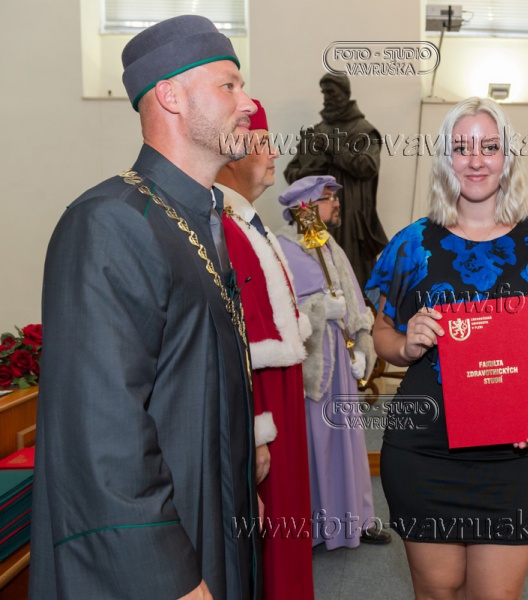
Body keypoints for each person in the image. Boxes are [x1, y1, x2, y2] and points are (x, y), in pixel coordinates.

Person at [31, 15, 261, 599]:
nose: (249, 103)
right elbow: (102, 431)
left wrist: (239, 487)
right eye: (229, 85)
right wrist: (169, 578)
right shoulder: (110, 222)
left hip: (209, 512)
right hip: (154, 558)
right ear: (170, 96)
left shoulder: (198, 219)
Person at [365, 97, 528, 599]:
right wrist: (407, 343)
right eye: (462, 147)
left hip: (512, 452)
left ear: (507, 156)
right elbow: (383, 337)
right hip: (424, 449)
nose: (476, 160)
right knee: (436, 590)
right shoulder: (413, 245)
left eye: (489, 146)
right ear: (446, 157)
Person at [216, 101, 315, 599]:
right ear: (233, 154)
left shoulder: (248, 221)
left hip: (281, 393)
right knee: (271, 535)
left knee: (289, 521)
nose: (276, 153)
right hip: (264, 402)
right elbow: (239, 341)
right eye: (264, 144)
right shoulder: (222, 226)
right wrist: (255, 433)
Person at [276, 175, 391, 548]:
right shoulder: (281, 248)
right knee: (318, 444)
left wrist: (362, 347)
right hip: (312, 367)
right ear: (306, 207)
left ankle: (357, 520)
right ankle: (316, 528)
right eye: (328, 198)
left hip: (342, 363)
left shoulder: (329, 245)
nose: (337, 204)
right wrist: (318, 309)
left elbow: (354, 300)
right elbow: (278, 310)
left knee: (349, 441)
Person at [284, 73, 388, 285]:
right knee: (313, 275)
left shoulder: (363, 130)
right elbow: (290, 172)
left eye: (331, 92)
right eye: (324, 93)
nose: (326, 97)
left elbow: (368, 167)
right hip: (310, 215)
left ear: (345, 93)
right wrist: (308, 173)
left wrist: (333, 148)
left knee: (351, 279)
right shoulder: (316, 132)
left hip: (347, 217)